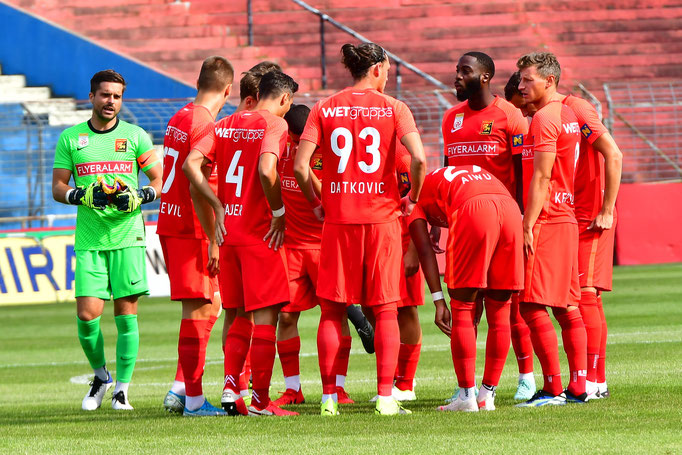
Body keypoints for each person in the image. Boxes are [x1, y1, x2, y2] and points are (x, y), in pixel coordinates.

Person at [294, 42, 426, 416]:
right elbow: (418, 157)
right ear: (379, 69)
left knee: (332, 312)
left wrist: (318, 204)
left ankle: (329, 399)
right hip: (382, 221)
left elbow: (302, 167)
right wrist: (412, 197)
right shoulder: (395, 108)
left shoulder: (324, 107)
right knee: (385, 310)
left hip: (338, 223)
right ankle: (386, 398)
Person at [184, 70, 299, 417]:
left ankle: (232, 389)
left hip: (228, 235)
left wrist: (218, 207)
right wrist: (278, 211)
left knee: (237, 318)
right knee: (265, 318)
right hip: (260, 234)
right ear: (284, 99)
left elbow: (192, 166)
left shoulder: (223, 125)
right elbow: (267, 170)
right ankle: (262, 401)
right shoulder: (274, 125)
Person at [52, 69, 161, 411]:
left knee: (126, 314)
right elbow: (57, 187)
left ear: (121, 99)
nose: (110, 101)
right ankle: (101, 376)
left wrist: (141, 195)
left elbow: (160, 180)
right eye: (104, 95)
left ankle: (122, 390)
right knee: (87, 316)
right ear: (92, 97)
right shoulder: (71, 139)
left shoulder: (135, 137)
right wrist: (80, 196)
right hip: (89, 238)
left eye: (116, 96)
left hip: (127, 236)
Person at [441, 52, 534, 401]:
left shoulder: (510, 116)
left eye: (464, 72)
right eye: (456, 71)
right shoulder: (450, 118)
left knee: (506, 304)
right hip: (463, 224)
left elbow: (524, 175)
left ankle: (519, 377)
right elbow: (448, 172)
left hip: (506, 224)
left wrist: (527, 222)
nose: (456, 77)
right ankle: (466, 384)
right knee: (468, 305)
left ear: (484, 77)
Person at [407, 166, 523, 411]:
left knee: (462, 308)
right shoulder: (441, 178)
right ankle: (487, 395)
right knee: (501, 310)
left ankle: (466, 396)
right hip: (511, 208)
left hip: (472, 208)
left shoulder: (412, 198)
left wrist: (439, 301)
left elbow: (424, 251)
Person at [158, 56, 234, 417]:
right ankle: (192, 400)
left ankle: (180, 389)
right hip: (191, 229)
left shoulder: (180, 115)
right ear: (229, 90)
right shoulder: (206, 124)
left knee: (208, 305)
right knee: (201, 309)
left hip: (170, 224)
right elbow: (194, 187)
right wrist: (215, 236)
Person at [515, 52, 587, 407]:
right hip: (565, 216)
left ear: (549, 80)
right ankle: (578, 386)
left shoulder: (544, 117)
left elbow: (542, 176)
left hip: (547, 218)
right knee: (566, 305)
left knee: (529, 303)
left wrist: (527, 223)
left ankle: (553, 387)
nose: (521, 85)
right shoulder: (568, 113)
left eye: (527, 79)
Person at [272, 104, 356, 407]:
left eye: (298, 139)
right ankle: (292, 388)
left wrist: (305, 169)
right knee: (285, 315)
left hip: (326, 246)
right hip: (291, 246)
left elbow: (337, 199)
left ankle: (338, 388)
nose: (294, 144)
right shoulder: (280, 150)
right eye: (292, 139)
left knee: (334, 315)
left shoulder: (332, 154)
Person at [558, 88, 622, 400]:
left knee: (586, 297)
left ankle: (595, 382)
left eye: (528, 81)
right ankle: (594, 382)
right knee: (583, 299)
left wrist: (606, 210)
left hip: (591, 217)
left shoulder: (577, 108)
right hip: (570, 217)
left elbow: (613, 153)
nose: (524, 91)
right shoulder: (551, 115)